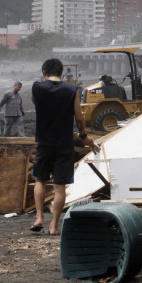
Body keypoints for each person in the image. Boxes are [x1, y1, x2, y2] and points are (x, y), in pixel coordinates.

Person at [30, 58, 94, 235]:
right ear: (61, 72)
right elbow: (79, 118)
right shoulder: (72, 90)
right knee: (60, 187)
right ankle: (54, 226)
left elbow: (35, 101)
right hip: (64, 144)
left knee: (40, 180)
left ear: (44, 72)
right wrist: (83, 136)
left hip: (44, 143)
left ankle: (39, 218)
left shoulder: (37, 87)